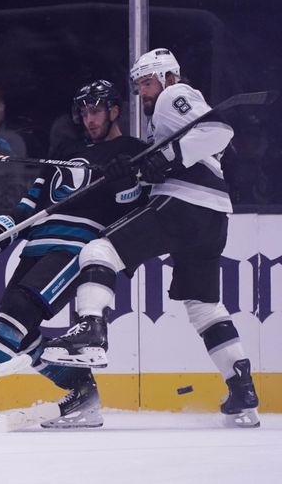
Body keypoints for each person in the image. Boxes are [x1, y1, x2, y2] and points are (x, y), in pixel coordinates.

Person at [42, 49, 261, 428]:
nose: (143, 91)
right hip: (211, 217)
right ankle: (242, 391)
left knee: (100, 250)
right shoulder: (164, 118)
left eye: (147, 82)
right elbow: (173, 159)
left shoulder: (173, 96)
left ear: (168, 77)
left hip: (184, 204)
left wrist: (168, 157)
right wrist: (137, 171)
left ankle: (92, 331)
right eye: (140, 84)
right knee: (204, 307)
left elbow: (218, 131)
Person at [0, 79, 148, 428]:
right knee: (21, 332)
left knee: (17, 311)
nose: (90, 119)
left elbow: (133, 207)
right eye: (84, 112)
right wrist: (1, 227)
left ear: (114, 110)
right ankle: (82, 393)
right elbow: (32, 200)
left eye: (96, 111)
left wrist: (126, 181)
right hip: (37, 243)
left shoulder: (131, 150)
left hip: (76, 246)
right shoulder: (65, 149)